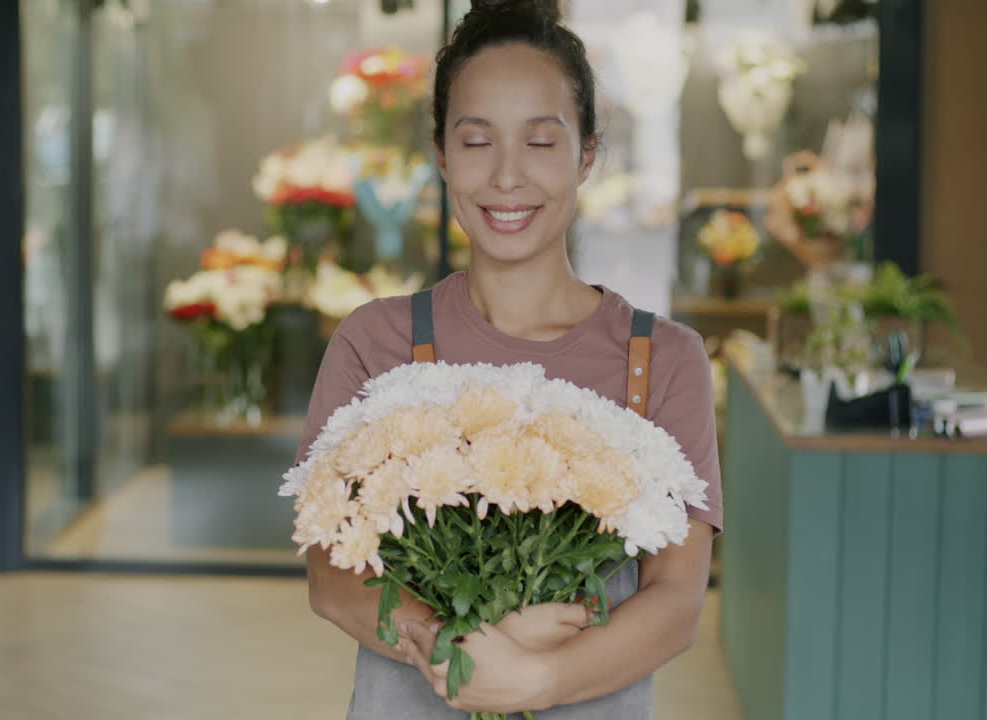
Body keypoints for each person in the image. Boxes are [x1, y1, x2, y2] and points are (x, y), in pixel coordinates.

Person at [294, 1, 723, 716]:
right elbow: (332, 574)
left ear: (588, 153)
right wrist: (452, 646)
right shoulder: (373, 343)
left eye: (541, 142)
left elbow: (677, 602)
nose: (506, 177)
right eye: (476, 141)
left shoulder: (665, 359)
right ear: (440, 154)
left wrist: (531, 682)